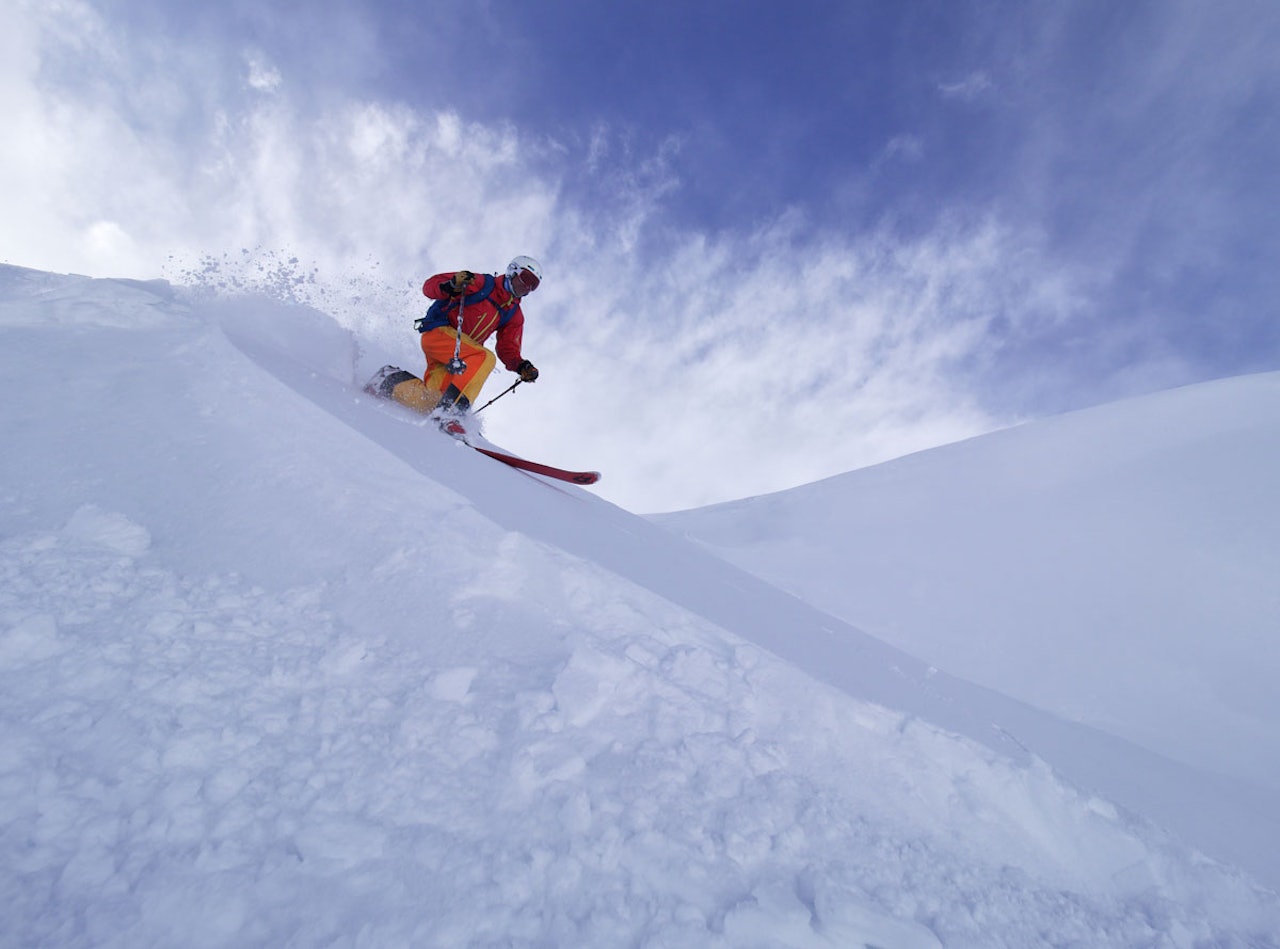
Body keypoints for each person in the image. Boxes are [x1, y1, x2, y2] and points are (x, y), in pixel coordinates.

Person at [366, 256, 543, 418]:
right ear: (513, 271)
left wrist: (521, 366)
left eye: (533, 285)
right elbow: (431, 285)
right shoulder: (482, 283)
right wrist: (451, 285)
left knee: (433, 401)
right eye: (526, 279)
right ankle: (453, 413)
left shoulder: (513, 314)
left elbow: (508, 349)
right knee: (485, 358)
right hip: (438, 334)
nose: (527, 287)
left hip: (459, 355)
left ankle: (388, 380)